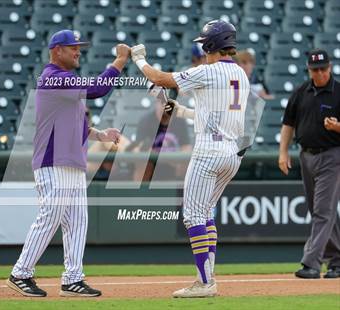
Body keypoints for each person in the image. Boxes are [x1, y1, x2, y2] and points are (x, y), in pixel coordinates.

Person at [130, 19, 250, 297]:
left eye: (205, 44)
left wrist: (139, 60)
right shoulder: (242, 74)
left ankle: (205, 283)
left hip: (209, 152)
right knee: (206, 214)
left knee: (193, 215)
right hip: (232, 153)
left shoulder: (208, 71)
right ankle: (208, 278)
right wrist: (181, 111)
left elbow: (159, 79)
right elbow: (215, 114)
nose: (203, 49)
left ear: (212, 44)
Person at [6, 29, 130, 297]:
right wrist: (119, 61)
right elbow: (98, 89)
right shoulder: (52, 78)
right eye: (73, 46)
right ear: (57, 50)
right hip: (52, 161)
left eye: (79, 46)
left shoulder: (65, 81)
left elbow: (75, 122)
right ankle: (20, 272)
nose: (78, 51)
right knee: (50, 216)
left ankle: (72, 279)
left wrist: (100, 134)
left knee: (77, 221)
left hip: (72, 161)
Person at [279, 48, 340, 279]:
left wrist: (337, 127)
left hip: (333, 156)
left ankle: (312, 263)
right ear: (309, 69)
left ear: (330, 67)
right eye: (315, 69)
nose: (320, 73)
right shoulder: (300, 92)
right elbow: (288, 124)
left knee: (322, 211)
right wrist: (283, 152)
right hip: (306, 156)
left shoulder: (339, 91)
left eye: (323, 68)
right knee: (321, 211)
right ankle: (337, 260)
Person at [131, 89, 192, 181]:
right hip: (152, 163)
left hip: (174, 165)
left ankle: (184, 193)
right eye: (162, 103)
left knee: (188, 163)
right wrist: (166, 157)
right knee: (142, 163)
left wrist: (177, 158)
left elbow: (186, 148)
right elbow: (140, 149)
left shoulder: (180, 121)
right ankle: (140, 193)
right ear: (156, 103)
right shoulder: (146, 121)